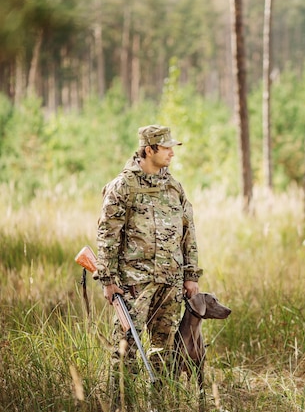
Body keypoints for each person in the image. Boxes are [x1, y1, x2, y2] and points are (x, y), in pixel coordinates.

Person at [95, 124, 203, 408]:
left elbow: (188, 232)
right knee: (127, 348)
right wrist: (108, 279)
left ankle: (161, 404)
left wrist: (190, 276)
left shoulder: (174, 187)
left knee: (163, 350)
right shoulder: (122, 186)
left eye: (172, 148)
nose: (171, 154)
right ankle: (121, 405)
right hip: (133, 283)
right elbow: (108, 234)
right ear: (148, 149)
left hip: (170, 283)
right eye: (166, 148)